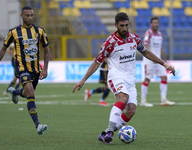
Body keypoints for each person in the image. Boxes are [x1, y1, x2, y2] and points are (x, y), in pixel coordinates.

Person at [72, 12, 175, 144]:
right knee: (124, 99)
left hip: (130, 79)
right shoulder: (109, 43)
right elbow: (96, 62)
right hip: (116, 76)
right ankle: (109, 131)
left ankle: (106, 133)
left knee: (131, 110)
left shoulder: (135, 39)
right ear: (116, 25)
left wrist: (164, 64)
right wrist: (83, 80)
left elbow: (146, 52)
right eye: (122, 25)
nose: (125, 28)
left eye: (127, 25)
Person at [0, 6, 50, 135]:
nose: (30, 17)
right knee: (31, 94)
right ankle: (38, 125)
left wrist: (45, 68)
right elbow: (3, 48)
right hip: (21, 68)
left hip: (35, 69)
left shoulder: (40, 30)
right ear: (21, 16)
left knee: (26, 93)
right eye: (27, 15)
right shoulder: (14, 32)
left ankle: (14, 92)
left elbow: (46, 49)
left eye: (31, 15)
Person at [140, 17, 175, 107]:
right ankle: (143, 101)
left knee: (164, 77)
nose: (156, 24)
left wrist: (165, 62)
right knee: (147, 79)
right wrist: (152, 57)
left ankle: (163, 99)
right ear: (151, 24)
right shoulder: (149, 33)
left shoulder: (160, 34)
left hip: (159, 61)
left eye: (157, 23)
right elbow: (146, 46)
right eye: (154, 23)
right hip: (149, 61)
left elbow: (160, 48)